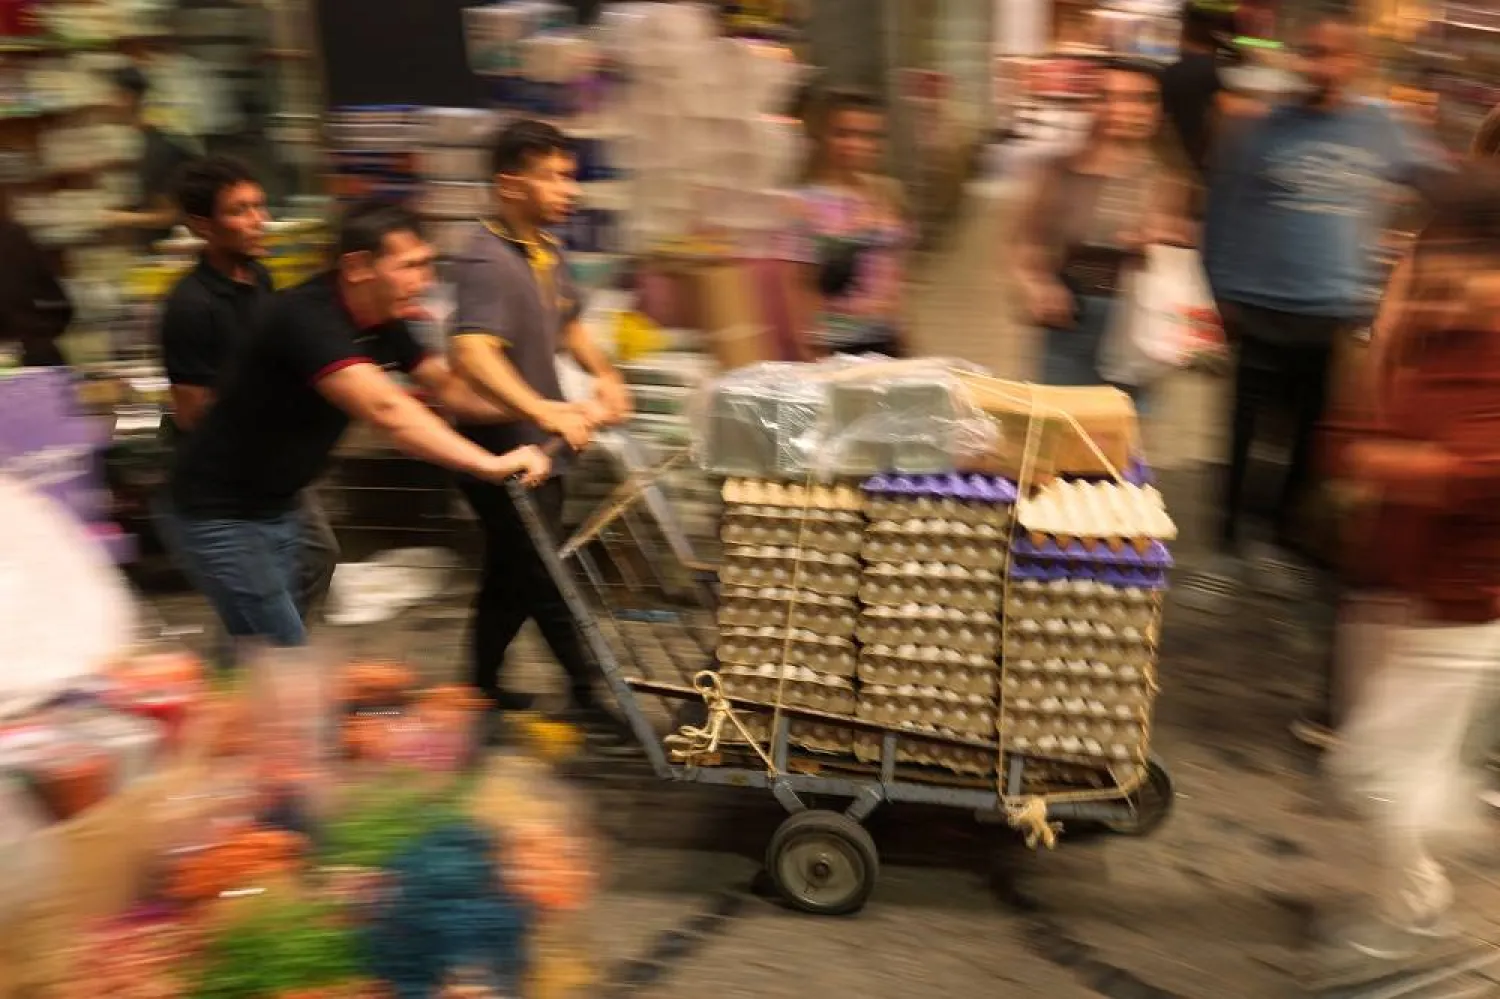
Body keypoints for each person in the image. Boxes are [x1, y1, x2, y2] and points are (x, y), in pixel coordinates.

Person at [159, 199, 546, 653]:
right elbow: (389, 411)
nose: (425, 281)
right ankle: (254, 694)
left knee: (265, 631)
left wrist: (544, 410)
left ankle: (233, 693)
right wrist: (490, 463)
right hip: (219, 512)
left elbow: (450, 390)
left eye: (426, 265)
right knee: (276, 648)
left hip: (281, 502)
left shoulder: (383, 320)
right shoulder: (306, 317)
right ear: (359, 267)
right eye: (410, 266)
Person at [1320, 163, 1500, 967]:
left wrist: (1384, 461)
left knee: (1376, 770)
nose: (1432, 271)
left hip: (1460, 602)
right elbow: (1364, 429)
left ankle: (1421, 907)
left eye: (1450, 256)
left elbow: (1474, 469)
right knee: (1379, 765)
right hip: (1393, 581)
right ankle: (1419, 892)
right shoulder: (1442, 325)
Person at [1202, 15, 1441, 563]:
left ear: (1358, 61)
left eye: (1334, 55)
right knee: (1242, 433)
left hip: (1332, 311)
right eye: (1312, 53)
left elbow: (1439, 183)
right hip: (1258, 307)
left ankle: (1286, 533)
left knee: (1309, 438)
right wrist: (1220, 291)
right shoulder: (1261, 128)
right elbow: (1221, 210)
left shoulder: (1383, 128)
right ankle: (1229, 537)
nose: (1321, 66)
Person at [447, 119, 633, 743]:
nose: (568, 190)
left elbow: (569, 326)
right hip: (501, 446)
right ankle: (590, 689)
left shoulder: (544, 251)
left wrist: (604, 376)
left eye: (569, 175)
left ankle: (476, 686)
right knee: (546, 573)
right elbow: (473, 351)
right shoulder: (485, 260)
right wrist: (545, 409)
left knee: (515, 569)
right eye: (552, 176)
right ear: (509, 183)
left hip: (539, 442)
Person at [156, 156, 338, 621]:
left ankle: (267, 661)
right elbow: (192, 413)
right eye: (240, 211)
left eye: (259, 207)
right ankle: (273, 662)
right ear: (202, 226)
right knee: (275, 583)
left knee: (307, 562)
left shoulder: (260, 279)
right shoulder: (191, 306)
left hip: (272, 461)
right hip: (229, 477)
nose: (259, 221)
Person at [1018, 58, 1180, 407]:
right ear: (1093, 104)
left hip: (1137, 326)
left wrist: (1167, 241)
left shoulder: (1170, 179)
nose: (1125, 109)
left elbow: (1188, 258)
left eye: (1142, 98)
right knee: (1062, 435)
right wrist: (1036, 283)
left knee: (1122, 443)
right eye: (1109, 96)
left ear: (1158, 109)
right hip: (1070, 319)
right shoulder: (1059, 171)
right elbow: (1025, 239)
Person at [778, 88, 911, 359]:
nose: (856, 144)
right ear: (823, 137)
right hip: (834, 345)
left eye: (868, 136)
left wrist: (906, 335)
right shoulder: (802, 204)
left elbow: (896, 276)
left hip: (887, 339)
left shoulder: (888, 194)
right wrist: (807, 349)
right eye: (843, 133)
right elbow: (796, 286)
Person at [102, 66, 196, 247]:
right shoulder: (140, 142)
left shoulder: (157, 150)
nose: (103, 103)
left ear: (126, 98)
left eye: (108, 95)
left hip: (170, 252)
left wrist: (116, 218)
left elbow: (171, 215)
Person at [1158, 2, 1223, 181]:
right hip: (1214, 164)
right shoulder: (1223, 73)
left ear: (1183, 32)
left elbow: (1162, 119)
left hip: (1178, 162)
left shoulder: (1170, 73)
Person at [0, 207, 73, 366]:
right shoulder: (13, 234)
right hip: (35, 353)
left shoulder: (13, 235)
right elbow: (58, 303)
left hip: (27, 354)